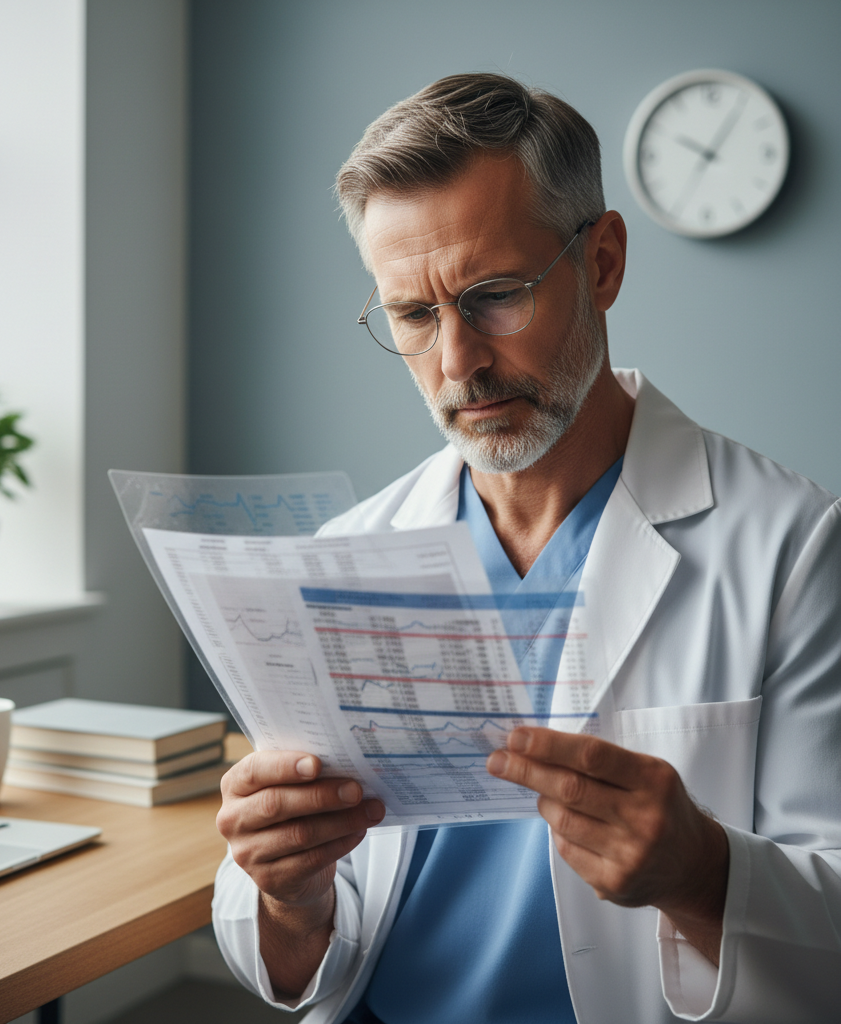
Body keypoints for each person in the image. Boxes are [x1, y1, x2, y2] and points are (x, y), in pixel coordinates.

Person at [211, 73, 841, 1022]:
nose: (457, 361)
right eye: (414, 318)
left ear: (603, 262)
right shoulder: (349, 553)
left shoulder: (794, 547)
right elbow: (300, 955)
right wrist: (285, 896)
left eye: (494, 294)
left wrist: (706, 873)